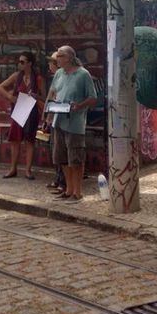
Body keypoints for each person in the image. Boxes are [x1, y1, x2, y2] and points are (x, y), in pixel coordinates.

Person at [46, 45, 97, 203]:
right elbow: (53, 92)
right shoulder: (59, 73)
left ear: (68, 57)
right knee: (61, 157)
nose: (57, 59)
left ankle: (78, 191)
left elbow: (93, 98)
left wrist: (79, 105)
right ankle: (68, 189)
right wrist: (49, 113)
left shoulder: (83, 75)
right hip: (58, 120)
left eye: (60, 56)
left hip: (75, 122)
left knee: (75, 157)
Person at [0, 51, 45, 180]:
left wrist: (37, 96)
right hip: (19, 110)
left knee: (29, 141)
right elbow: (0, 87)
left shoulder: (38, 79)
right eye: (19, 61)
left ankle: (28, 170)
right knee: (15, 140)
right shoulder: (16, 76)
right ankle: (13, 168)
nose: (20, 64)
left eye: (22, 62)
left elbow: (44, 97)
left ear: (30, 63)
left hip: (31, 111)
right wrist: (9, 97)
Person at [43, 53, 66, 194]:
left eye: (51, 62)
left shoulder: (61, 77)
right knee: (55, 151)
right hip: (53, 118)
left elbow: (54, 98)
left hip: (59, 118)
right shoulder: (57, 77)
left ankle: (62, 181)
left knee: (59, 151)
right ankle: (58, 178)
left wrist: (48, 117)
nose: (49, 65)